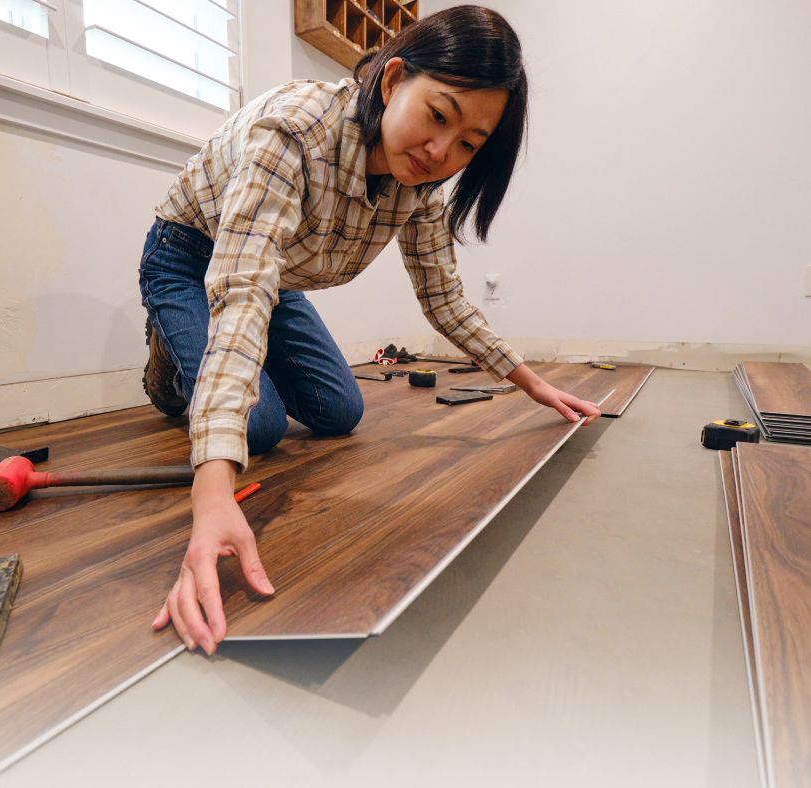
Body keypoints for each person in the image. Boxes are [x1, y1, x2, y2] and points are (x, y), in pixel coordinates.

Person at [140, 4, 601, 655]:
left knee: (339, 410)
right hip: (190, 258)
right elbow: (241, 297)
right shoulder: (291, 133)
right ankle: (167, 370)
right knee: (259, 428)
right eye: (438, 115)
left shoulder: (422, 187)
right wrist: (210, 494)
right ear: (392, 82)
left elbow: (445, 302)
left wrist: (532, 384)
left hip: (278, 280)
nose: (442, 152)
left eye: (469, 143)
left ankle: (212, 376)